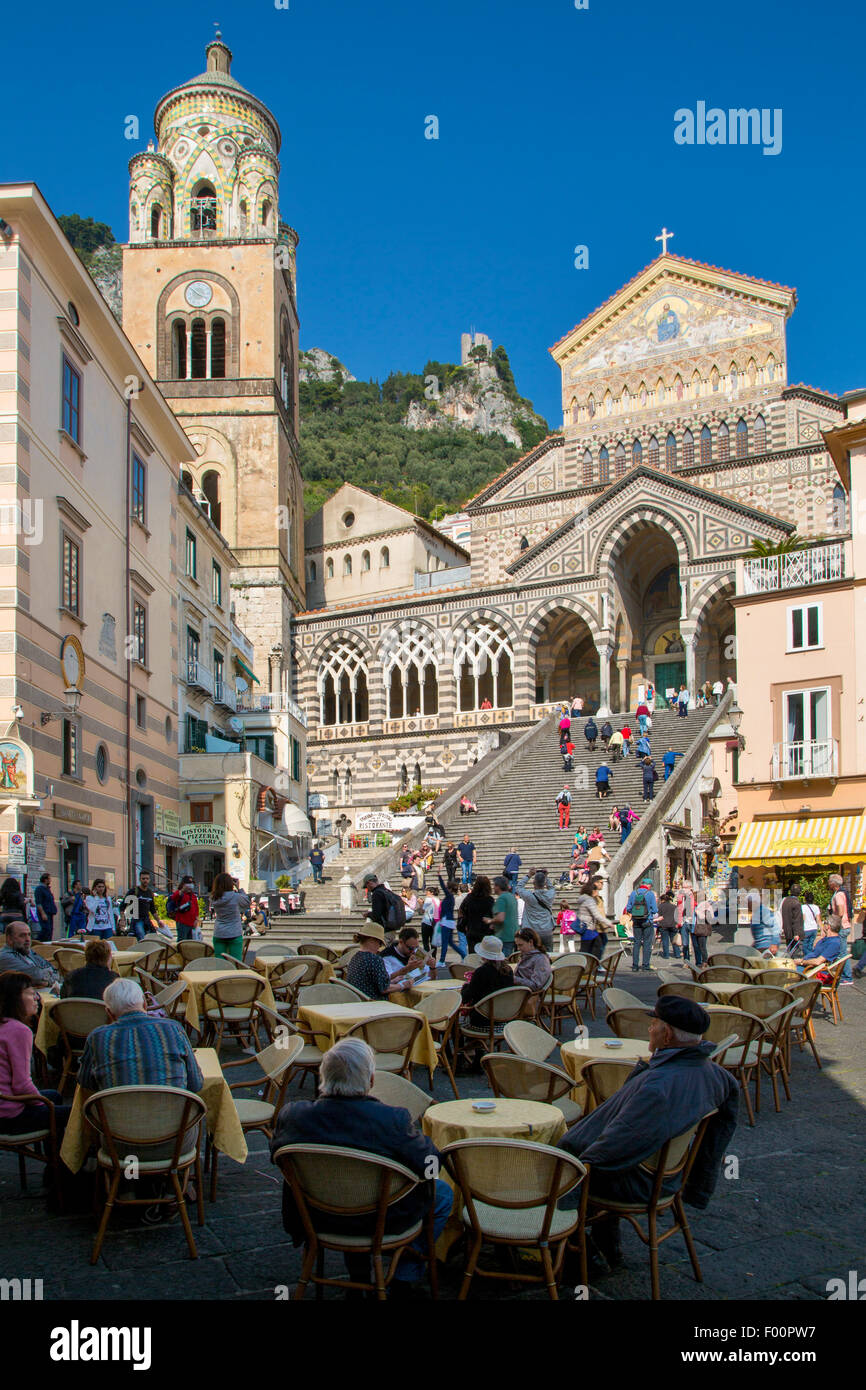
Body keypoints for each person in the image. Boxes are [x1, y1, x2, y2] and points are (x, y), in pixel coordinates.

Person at [559, 996, 739, 1271]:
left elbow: (614, 1149)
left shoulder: (659, 1087)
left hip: (639, 1181)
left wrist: (574, 1164)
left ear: (666, 1034)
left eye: (653, 1024)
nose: (649, 1030)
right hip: (668, 1173)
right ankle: (607, 1241)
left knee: (561, 1168)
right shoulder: (717, 1075)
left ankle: (579, 1255)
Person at [270, 1037, 452, 1288]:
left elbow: (276, 1157)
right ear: (371, 1081)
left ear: (323, 1078)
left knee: (345, 1187)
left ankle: (360, 1275)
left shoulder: (293, 1116)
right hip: (379, 1218)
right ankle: (404, 1274)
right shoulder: (392, 1120)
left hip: (317, 1215)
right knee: (443, 1194)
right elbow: (430, 1167)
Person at [77, 978, 203, 1093]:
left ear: (109, 1013)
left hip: (116, 1117)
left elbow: (85, 1082)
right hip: (173, 1116)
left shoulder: (97, 1038)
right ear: (145, 1004)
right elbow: (196, 1084)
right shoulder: (173, 1029)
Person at [0, 973, 71, 1137]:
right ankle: (62, 1160)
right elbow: (22, 1085)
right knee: (78, 1114)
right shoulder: (19, 1031)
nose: (37, 998)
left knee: (54, 1096)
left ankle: (54, 1156)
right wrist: (42, 1103)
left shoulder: (4, 1025)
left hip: (5, 1103)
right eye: (32, 993)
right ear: (16, 998)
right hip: (9, 1114)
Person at [460, 936, 515, 1035]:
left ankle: (466, 1048)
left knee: (454, 1022)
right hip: (504, 1019)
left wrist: (465, 986)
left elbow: (466, 997)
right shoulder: (508, 971)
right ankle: (475, 1047)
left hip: (482, 1019)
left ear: (483, 955)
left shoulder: (481, 972)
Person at [347, 924, 411, 999]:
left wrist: (392, 981)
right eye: (380, 943)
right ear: (371, 941)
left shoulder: (355, 957)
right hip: (372, 1003)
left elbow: (371, 981)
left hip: (357, 1000)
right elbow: (384, 989)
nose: (379, 947)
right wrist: (403, 985)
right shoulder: (374, 959)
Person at [0, 919, 59, 986]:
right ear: (10, 939)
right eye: (22, 935)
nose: (28, 939)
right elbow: (35, 976)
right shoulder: (4, 956)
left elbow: (55, 971)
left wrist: (46, 982)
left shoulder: (28, 952)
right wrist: (47, 980)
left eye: (29, 935)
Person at [209, 872, 250, 961]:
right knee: (235, 961)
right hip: (234, 932)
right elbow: (247, 902)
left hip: (219, 932)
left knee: (220, 963)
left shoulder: (214, 897)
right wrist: (239, 888)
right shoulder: (235, 896)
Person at [514, 870, 556, 952]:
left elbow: (518, 887)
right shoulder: (550, 894)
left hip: (531, 930)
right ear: (544, 884)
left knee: (530, 953)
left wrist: (529, 875)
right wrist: (546, 877)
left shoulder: (529, 896)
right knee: (548, 954)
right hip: (546, 929)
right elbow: (551, 887)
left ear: (533, 883)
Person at [513, 927, 552, 1015]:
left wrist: (514, 979)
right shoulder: (525, 955)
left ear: (531, 942)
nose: (518, 948)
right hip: (520, 993)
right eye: (517, 945)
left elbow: (536, 985)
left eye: (520, 945)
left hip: (528, 996)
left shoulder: (540, 959)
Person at [457, 874, 494, 953]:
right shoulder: (490, 900)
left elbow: (461, 911)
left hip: (472, 930)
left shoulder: (469, 898)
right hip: (486, 931)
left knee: (473, 956)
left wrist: (463, 923)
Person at [626, 880, 658, 971]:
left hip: (636, 921)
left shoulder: (633, 893)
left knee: (637, 942)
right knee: (647, 943)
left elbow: (628, 908)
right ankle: (645, 965)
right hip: (647, 921)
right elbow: (655, 910)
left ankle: (635, 965)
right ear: (648, 885)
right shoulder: (650, 894)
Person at [574, 879, 609, 960]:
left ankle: (591, 964)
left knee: (589, 948)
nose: (597, 892)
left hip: (588, 927)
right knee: (590, 948)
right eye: (596, 890)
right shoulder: (589, 900)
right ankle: (591, 964)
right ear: (592, 890)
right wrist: (608, 923)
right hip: (588, 927)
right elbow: (597, 914)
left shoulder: (585, 899)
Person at [484, 875, 519, 956]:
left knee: (503, 960)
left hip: (504, 935)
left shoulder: (501, 899)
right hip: (513, 933)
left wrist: (489, 920)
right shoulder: (511, 896)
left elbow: (500, 918)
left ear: (498, 886)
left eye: (494, 885)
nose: (493, 888)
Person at [828, 875, 853, 984]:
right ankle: (842, 975)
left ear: (833, 884)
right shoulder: (843, 892)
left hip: (841, 927)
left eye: (829, 881)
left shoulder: (838, 895)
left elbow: (841, 911)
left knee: (842, 954)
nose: (828, 883)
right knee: (841, 952)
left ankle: (847, 977)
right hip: (845, 926)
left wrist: (834, 922)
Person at [436, 874, 465, 963]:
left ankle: (441, 961)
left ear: (450, 889)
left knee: (445, 942)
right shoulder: (450, 898)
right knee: (450, 942)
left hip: (447, 921)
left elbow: (443, 887)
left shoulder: (449, 896)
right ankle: (464, 955)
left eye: (448, 888)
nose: (446, 889)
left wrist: (439, 876)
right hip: (448, 921)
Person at [124, 870, 159, 943]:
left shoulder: (149, 892)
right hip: (137, 919)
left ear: (149, 880)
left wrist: (158, 921)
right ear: (140, 879)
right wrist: (122, 919)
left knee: (153, 937)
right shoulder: (133, 891)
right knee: (141, 937)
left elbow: (152, 909)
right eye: (143, 879)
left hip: (146, 919)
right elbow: (123, 905)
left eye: (147, 878)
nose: (145, 880)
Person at [166, 876, 199, 943]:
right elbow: (174, 897)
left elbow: (196, 908)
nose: (191, 885)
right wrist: (183, 889)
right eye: (189, 883)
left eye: (192, 883)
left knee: (191, 943)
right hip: (182, 922)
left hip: (192, 923)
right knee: (182, 941)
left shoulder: (193, 896)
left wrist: (197, 919)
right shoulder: (180, 893)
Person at [749, 891, 780, 956]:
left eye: (748, 903)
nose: (747, 906)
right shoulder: (757, 912)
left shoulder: (763, 911)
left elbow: (775, 928)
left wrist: (774, 943)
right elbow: (760, 934)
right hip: (760, 947)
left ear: (754, 902)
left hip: (767, 947)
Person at [655, 891, 681, 960]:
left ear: (662, 900)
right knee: (674, 940)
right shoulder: (674, 906)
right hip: (673, 925)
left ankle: (666, 955)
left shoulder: (660, 906)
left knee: (665, 940)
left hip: (663, 925)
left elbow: (658, 916)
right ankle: (677, 954)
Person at [692, 893, 715, 968]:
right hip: (700, 928)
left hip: (702, 929)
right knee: (699, 946)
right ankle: (701, 961)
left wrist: (698, 912)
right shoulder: (702, 905)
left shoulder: (705, 905)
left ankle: (704, 961)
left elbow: (708, 918)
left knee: (702, 946)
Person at [779, 883, 803, 955]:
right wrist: (797, 933)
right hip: (793, 932)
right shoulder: (796, 903)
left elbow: (780, 913)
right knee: (795, 952)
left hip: (786, 930)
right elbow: (797, 919)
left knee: (789, 949)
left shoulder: (785, 901)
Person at [677, 880, 697, 963]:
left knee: (695, 944)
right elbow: (679, 909)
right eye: (683, 887)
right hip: (684, 922)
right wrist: (679, 921)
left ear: (690, 888)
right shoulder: (681, 898)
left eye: (685, 888)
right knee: (685, 944)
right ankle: (686, 961)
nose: (683, 889)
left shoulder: (694, 897)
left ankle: (698, 962)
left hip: (693, 922)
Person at [33, 873, 57, 943]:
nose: (50, 880)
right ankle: (36, 943)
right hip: (45, 912)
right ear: (45, 880)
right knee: (46, 930)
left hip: (50, 912)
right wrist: (43, 913)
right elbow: (38, 903)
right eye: (49, 879)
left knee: (50, 930)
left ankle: (47, 944)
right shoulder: (39, 889)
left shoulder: (47, 889)